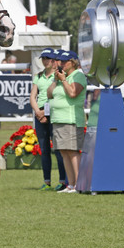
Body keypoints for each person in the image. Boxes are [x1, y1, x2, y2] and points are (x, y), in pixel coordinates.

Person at [47, 50, 87, 194]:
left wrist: (63, 80)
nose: (61, 64)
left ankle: (79, 183)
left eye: (64, 62)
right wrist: (56, 80)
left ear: (73, 62)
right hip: (58, 118)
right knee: (64, 152)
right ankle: (71, 184)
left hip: (71, 119)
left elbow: (73, 93)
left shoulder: (78, 75)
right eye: (60, 62)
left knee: (73, 151)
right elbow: (49, 93)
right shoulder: (60, 76)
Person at [29, 48, 68, 191]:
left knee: (58, 149)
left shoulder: (59, 75)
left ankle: (63, 180)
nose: (45, 61)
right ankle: (47, 181)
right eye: (44, 58)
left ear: (54, 60)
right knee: (44, 149)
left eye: (48, 58)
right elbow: (33, 96)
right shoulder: (38, 76)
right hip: (40, 114)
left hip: (54, 113)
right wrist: (38, 112)